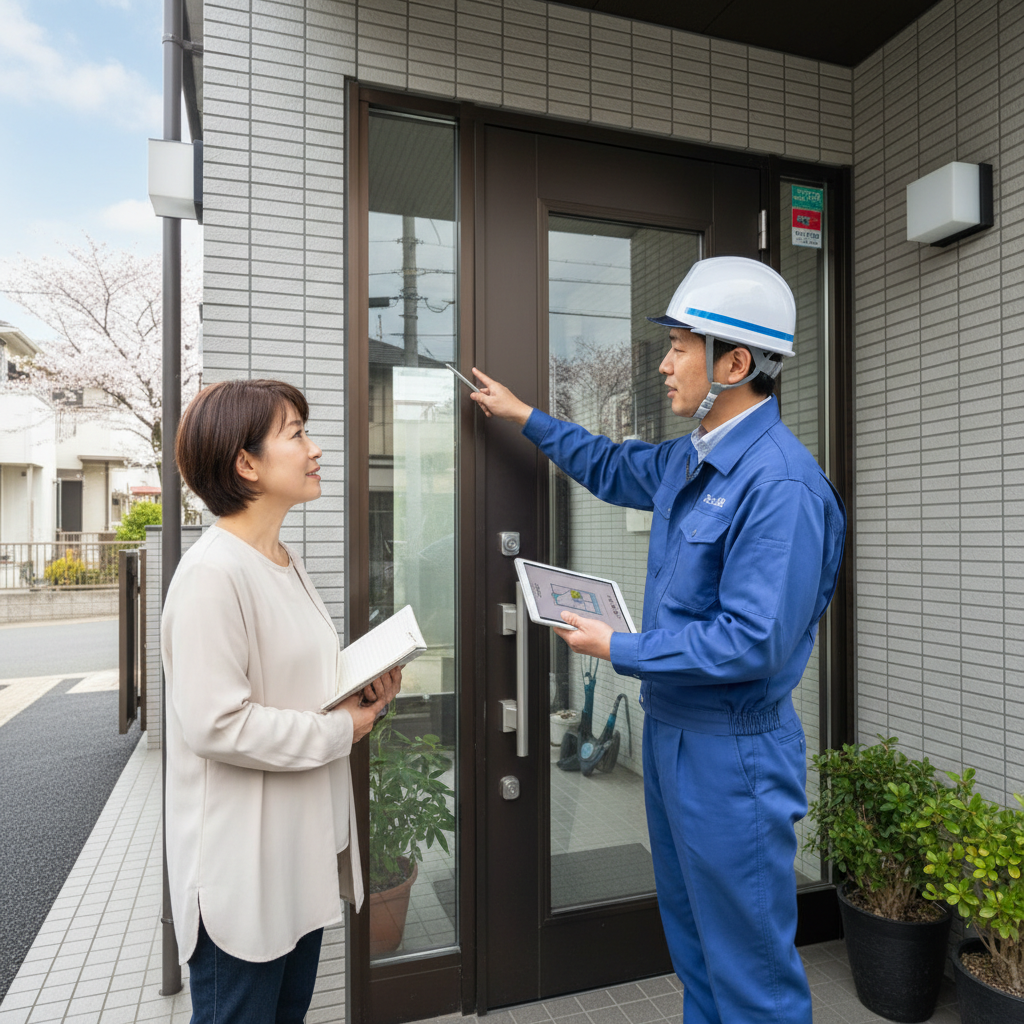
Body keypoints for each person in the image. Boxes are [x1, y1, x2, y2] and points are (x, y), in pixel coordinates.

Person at [470, 256, 845, 1024]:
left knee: (752, 978)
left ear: (735, 363)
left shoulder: (781, 486)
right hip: (677, 737)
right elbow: (609, 467)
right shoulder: (691, 456)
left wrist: (621, 648)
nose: (664, 363)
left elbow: (753, 643)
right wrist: (524, 416)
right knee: (699, 955)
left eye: (680, 346)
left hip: (732, 752)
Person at [163, 379, 402, 1024]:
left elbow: (292, 682)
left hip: (297, 857)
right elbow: (218, 724)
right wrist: (341, 731)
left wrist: (359, 688)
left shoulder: (281, 560)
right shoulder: (214, 575)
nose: (315, 449)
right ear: (246, 463)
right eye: (296, 435)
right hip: (243, 872)